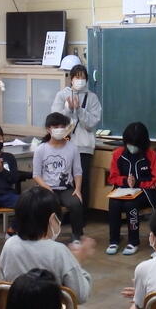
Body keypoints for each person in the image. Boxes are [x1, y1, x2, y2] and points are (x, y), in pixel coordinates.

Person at [0, 186, 97, 309]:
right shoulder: (58, 251)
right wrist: (78, 262)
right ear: (52, 219)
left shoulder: (9, 246)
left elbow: (5, 280)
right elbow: (80, 295)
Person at [105, 121, 156, 256]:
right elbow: (112, 177)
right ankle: (114, 240)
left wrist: (138, 183)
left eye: (135, 144)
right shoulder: (118, 154)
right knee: (113, 203)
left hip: (145, 193)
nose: (132, 147)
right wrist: (125, 180)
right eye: (129, 143)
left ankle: (133, 242)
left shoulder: (151, 155)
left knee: (131, 203)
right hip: (123, 190)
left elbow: (155, 180)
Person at [50, 64, 101, 210]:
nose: (80, 80)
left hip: (84, 147)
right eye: (77, 77)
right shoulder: (62, 95)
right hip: (64, 145)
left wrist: (79, 110)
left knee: (82, 181)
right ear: (71, 79)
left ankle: (82, 214)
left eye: (83, 77)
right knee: (64, 180)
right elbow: (55, 120)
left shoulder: (92, 97)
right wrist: (68, 109)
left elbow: (91, 124)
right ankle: (65, 214)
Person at [32, 112, 84, 242]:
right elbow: (36, 175)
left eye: (62, 126)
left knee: (76, 203)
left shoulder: (72, 148)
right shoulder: (41, 149)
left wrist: (77, 189)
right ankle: (46, 235)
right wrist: (47, 188)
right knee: (48, 205)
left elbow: (77, 172)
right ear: (48, 129)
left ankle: (77, 235)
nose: (60, 129)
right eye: (56, 127)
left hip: (66, 188)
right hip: (47, 188)